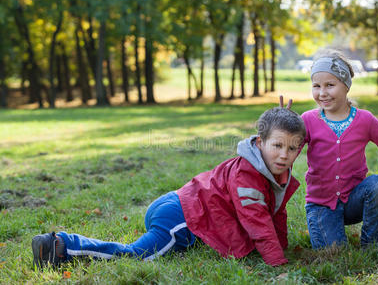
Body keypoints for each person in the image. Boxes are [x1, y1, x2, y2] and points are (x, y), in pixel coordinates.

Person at [32, 107, 306, 269]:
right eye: (277, 146)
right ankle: (62, 245)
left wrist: (282, 246)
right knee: (138, 255)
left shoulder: (271, 171)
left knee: (161, 248)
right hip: (182, 219)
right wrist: (276, 261)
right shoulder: (249, 175)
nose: (284, 155)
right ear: (260, 143)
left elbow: (275, 213)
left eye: (293, 148)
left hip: (179, 205)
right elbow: (257, 221)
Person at [281, 49, 378, 249]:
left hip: (354, 200)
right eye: (316, 86)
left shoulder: (365, 119)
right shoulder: (308, 120)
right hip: (321, 205)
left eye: (330, 85)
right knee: (334, 253)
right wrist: (284, 128)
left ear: (346, 86)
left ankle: (371, 245)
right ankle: (330, 230)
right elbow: (287, 154)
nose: (322, 93)